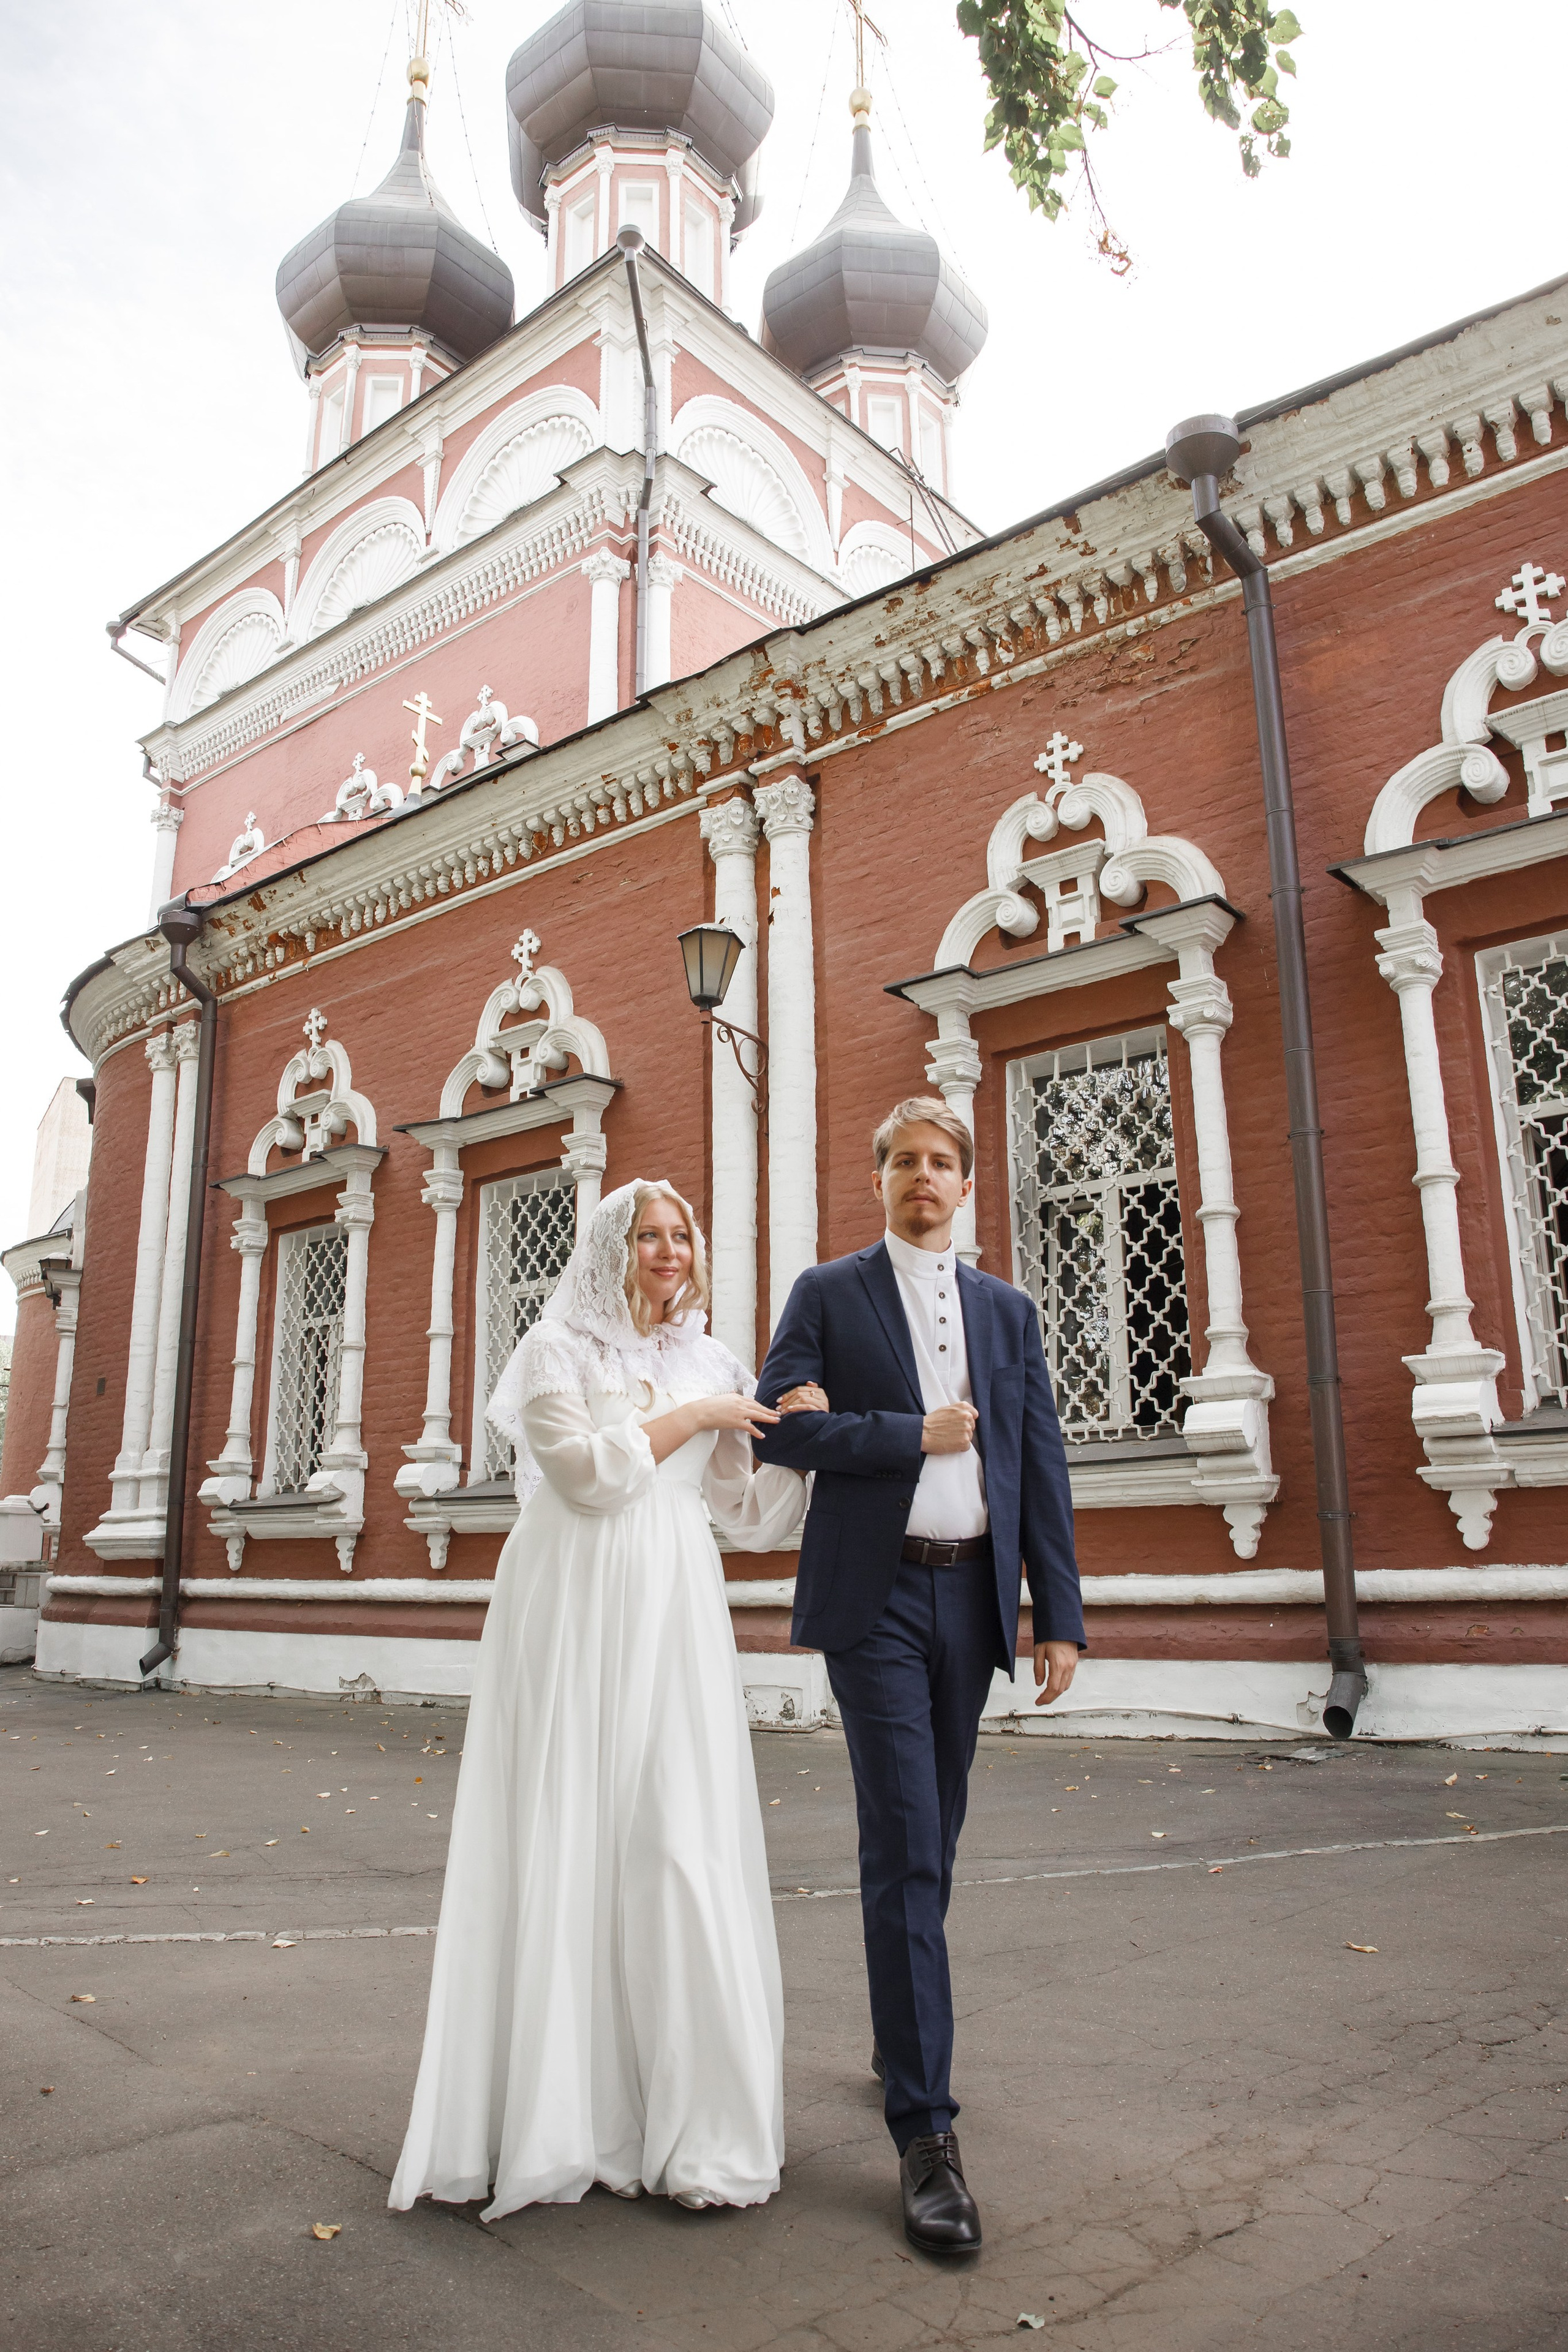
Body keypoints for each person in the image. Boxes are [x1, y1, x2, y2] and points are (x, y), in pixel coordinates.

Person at [390, 1179, 819, 2221]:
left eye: (682, 1235)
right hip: (574, 1603)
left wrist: (799, 1439)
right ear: (608, 1249)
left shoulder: (712, 1359)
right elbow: (585, 1477)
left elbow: (745, 1514)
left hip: (675, 1603)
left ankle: (697, 2127)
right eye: (647, 1235)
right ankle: (561, 2118)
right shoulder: (552, 1352)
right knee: (572, 1837)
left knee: (679, 1839)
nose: (669, 1251)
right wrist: (698, 1415)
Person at [755, 1099, 1084, 2256]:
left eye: (942, 1164)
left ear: (966, 1184)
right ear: (879, 1176)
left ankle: (904, 2043)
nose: (923, 1179)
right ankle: (925, 2131)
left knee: (930, 1840)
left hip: (974, 1598)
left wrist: (1061, 1610)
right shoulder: (828, 1294)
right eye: (903, 1161)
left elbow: (1035, 1454)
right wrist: (905, 1434)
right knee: (904, 1838)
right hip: (876, 1599)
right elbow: (775, 1431)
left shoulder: (1008, 1309)